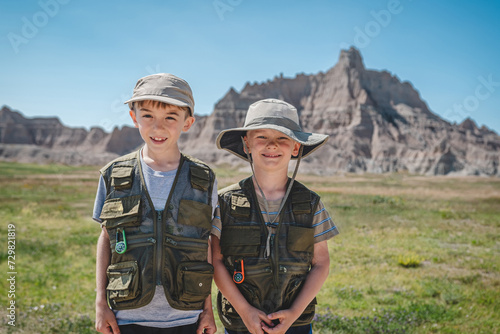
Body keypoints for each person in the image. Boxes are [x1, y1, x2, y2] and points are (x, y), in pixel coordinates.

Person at [93, 73, 217, 334]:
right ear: (133, 117)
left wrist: (208, 310)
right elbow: (106, 238)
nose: (157, 127)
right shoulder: (114, 175)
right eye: (147, 115)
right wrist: (100, 304)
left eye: (170, 117)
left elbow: (204, 244)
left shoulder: (204, 179)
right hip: (128, 318)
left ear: (188, 122)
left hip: (188, 317)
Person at [211, 98, 339, 334]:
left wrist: (293, 314)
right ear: (246, 144)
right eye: (261, 137)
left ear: (296, 147)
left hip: (296, 325)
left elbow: (321, 263)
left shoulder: (310, 203)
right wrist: (245, 310)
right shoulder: (224, 202)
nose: (272, 146)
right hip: (240, 324)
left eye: (282, 138)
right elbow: (216, 261)